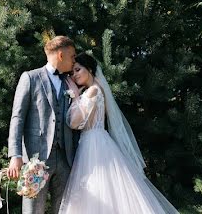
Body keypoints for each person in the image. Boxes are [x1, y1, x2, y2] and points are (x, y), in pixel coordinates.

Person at [59, 53, 178, 214]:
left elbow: (74, 122)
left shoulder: (92, 91)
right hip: (97, 140)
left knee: (98, 187)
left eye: (78, 70)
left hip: (94, 144)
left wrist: (75, 96)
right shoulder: (97, 87)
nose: (75, 75)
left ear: (90, 69)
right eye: (72, 73)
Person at [7, 35, 77, 213]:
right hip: (35, 159)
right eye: (72, 56)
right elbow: (18, 118)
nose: (74, 61)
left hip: (65, 160)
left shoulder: (70, 82)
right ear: (61, 55)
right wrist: (15, 155)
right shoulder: (30, 78)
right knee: (32, 211)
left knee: (64, 210)